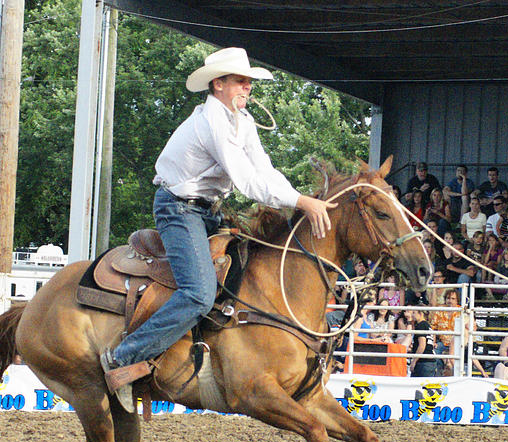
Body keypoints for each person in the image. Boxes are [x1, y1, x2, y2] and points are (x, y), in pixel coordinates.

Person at [99, 47, 335, 411]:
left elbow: (265, 171)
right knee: (198, 294)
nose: (248, 87)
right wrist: (303, 202)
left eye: (249, 82)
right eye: (241, 81)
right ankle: (122, 356)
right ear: (218, 84)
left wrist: (298, 196)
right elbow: (246, 181)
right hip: (179, 210)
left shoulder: (243, 122)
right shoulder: (211, 123)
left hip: (207, 211)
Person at [407, 305, 437, 377]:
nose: (412, 315)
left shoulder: (421, 325)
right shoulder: (427, 326)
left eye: (414, 313)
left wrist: (414, 361)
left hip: (423, 362)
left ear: (421, 314)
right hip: (429, 361)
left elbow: (422, 345)